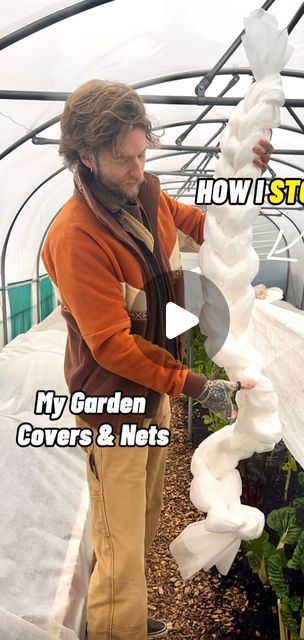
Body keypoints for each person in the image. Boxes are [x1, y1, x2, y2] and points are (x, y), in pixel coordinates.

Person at [41, 79, 273, 640]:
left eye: (144, 153)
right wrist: (197, 386)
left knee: (141, 523)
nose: (138, 168)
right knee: (119, 545)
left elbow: (205, 227)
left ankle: (129, 618)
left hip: (153, 398)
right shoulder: (75, 238)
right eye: (124, 159)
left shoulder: (145, 195)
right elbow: (113, 346)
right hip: (114, 409)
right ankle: (119, 625)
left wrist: (247, 178)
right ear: (87, 157)